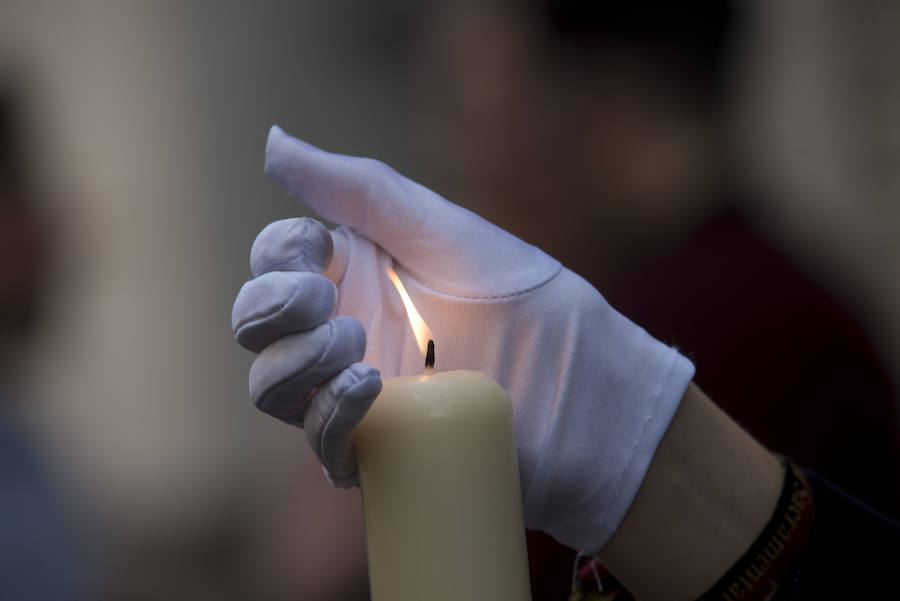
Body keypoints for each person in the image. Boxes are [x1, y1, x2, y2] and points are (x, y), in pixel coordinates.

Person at [232, 126, 900, 600]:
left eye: (476, 72)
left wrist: (617, 425)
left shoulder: (719, 311)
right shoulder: (808, 284)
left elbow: (314, 570)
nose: (465, 138)